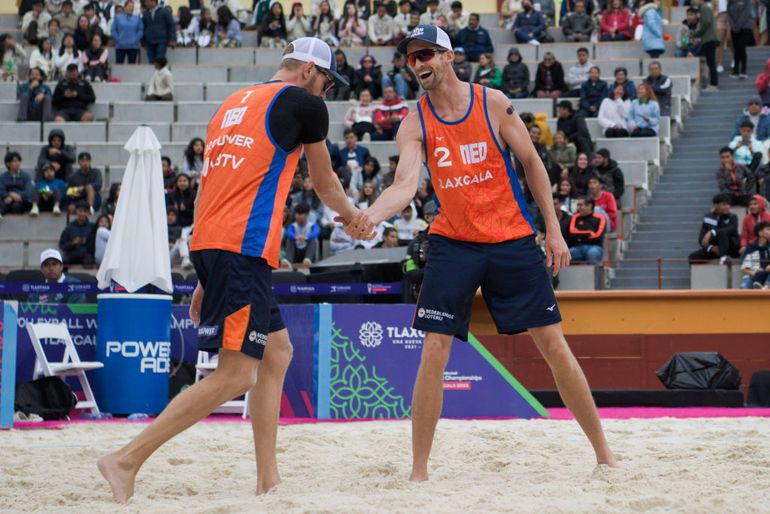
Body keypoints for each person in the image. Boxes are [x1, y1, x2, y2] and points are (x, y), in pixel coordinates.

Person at [97, 36, 372, 504]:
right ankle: (126, 459)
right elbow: (324, 183)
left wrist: (204, 272)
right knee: (237, 375)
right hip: (242, 247)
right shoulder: (305, 103)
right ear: (309, 70)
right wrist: (355, 218)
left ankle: (268, 480)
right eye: (327, 80)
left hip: (212, 242)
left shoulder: (232, 104)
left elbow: (210, 190)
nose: (326, 91)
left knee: (277, 352)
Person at [361, 24, 617, 483]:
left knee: (553, 345)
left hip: (511, 238)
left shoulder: (493, 103)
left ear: (449, 56)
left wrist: (554, 231)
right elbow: (405, 185)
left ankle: (605, 455)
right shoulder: (414, 121)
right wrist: (371, 215)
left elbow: (534, 165)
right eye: (412, 57)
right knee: (434, 350)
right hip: (453, 242)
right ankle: (418, 471)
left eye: (427, 54)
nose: (418, 63)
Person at [688, 193, 740, 264]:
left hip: (730, 248)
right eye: (724, 204)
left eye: (728, 204)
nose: (727, 207)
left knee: (723, 233)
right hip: (715, 249)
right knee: (693, 257)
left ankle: (724, 258)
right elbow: (701, 239)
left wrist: (712, 232)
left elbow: (731, 229)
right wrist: (711, 248)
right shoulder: (708, 217)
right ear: (716, 205)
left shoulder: (733, 217)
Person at [566, 196, 606, 264]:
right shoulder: (575, 217)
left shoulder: (600, 218)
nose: (578, 208)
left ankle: (594, 274)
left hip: (595, 247)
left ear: (589, 206)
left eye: (580, 205)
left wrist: (579, 237)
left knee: (592, 253)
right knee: (567, 254)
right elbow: (572, 234)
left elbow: (598, 237)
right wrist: (589, 233)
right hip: (577, 247)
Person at [693, 0, 718, 92]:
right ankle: (712, 84)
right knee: (710, 62)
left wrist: (699, 33)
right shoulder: (704, 8)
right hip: (708, 38)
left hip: (709, 38)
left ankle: (713, 84)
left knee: (711, 62)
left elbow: (706, 22)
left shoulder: (704, 7)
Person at [1, 152, 34, 216]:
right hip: (7, 199)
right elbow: (1, 190)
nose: (17, 163)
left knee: (16, 206)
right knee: (4, 204)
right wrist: (10, 194)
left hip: (22, 200)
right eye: (14, 161)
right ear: (8, 164)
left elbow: (28, 191)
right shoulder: (3, 177)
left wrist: (14, 196)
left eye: (18, 161)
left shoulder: (26, 176)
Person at [740, 222, 770, 289]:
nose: (769, 232)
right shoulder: (751, 247)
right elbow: (744, 269)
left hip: (767, 276)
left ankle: (765, 287)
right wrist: (754, 272)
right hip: (753, 276)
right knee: (744, 288)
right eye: (768, 229)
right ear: (760, 233)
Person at [112, 0, 142, 64]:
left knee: (132, 67)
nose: (131, 8)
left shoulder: (137, 18)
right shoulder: (118, 18)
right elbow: (113, 30)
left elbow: (140, 30)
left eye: (132, 6)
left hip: (133, 46)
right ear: (125, 7)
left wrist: (136, 40)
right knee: (119, 65)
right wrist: (118, 39)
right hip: (120, 46)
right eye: (129, 6)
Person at [727, 0, 752, 79]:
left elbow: (746, 14)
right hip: (734, 28)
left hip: (745, 27)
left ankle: (743, 71)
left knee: (741, 47)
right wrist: (733, 26)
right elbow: (729, 15)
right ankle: (736, 71)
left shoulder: (747, 1)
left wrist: (737, 25)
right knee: (736, 49)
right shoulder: (730, 2)